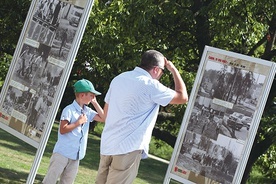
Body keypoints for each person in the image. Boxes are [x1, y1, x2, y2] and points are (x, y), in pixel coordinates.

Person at [95, 49, 188, 184]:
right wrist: (173, 69)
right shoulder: (151, 85)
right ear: (156, 69)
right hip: (128, 148)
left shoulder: (119, 79)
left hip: (107, 144)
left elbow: (106, 114)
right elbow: (183, 97)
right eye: (162, 72)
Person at [43, 79, 105, 184]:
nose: (93, 97)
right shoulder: (69, 110)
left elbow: (104, 118)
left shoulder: (88, 111)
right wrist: (78, 123)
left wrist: (94, 103)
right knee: (50, 180)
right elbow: (63, 129)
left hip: (76, 156)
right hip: (62, 154)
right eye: (91, 95)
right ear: (82, 95)